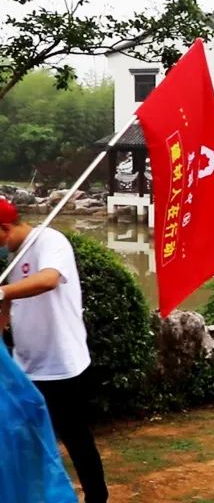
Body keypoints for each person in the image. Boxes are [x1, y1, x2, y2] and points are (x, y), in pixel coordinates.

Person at [0, 200, 109, 502]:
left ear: (5, 228)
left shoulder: (51, 241)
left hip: (61, 365)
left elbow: (48, 280)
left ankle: (97, 497)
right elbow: (8, 304)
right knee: (25, 436)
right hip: (26, 365)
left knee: (75, 437)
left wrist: (2, 291)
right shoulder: (14, 257)